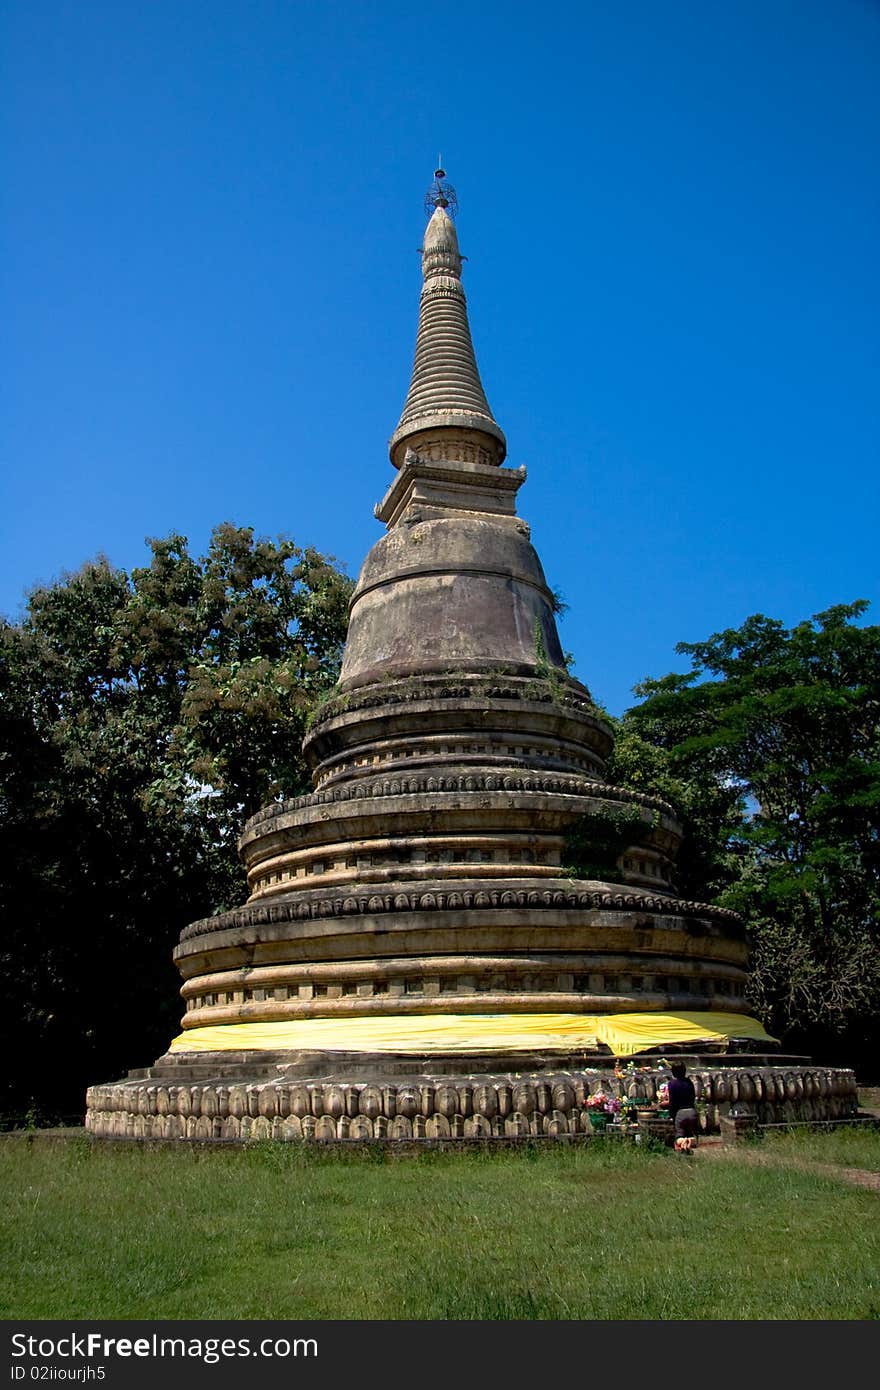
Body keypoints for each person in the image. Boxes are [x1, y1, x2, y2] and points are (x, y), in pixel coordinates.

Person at [667, 1061, 699, 1151]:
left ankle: (683, 1142)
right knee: (692, 1136)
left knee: (679, 1136)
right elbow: (693, 1097)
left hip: (680, 1113)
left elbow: (672, 1101)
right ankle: (688, 1141)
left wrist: (672, 1114)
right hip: (692, 1112)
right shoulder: (689, 1082)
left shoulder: (672, 1084)